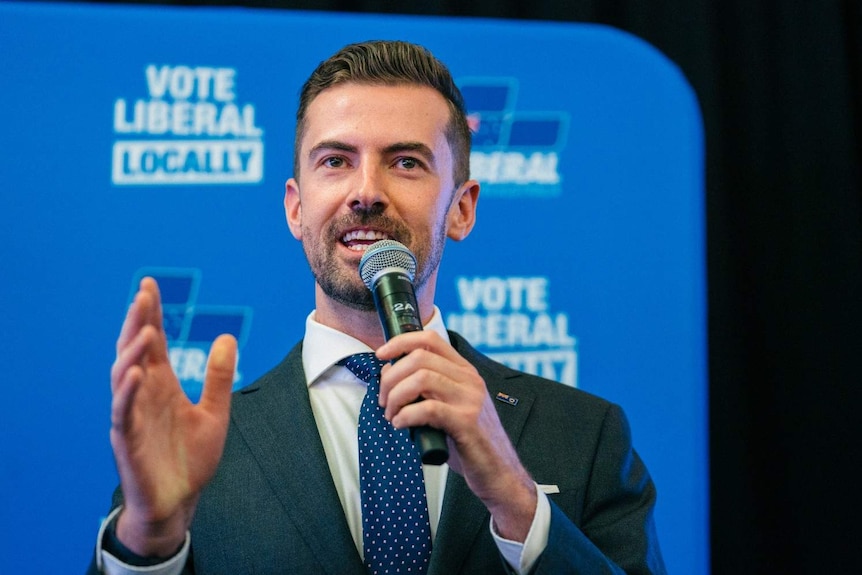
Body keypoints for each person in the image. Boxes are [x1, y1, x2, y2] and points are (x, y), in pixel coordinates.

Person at [87, 40, 666, 574]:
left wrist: (517, 501)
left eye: (406, 162)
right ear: (295, 208)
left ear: (462, 209)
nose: (366, 192)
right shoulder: (200, 451)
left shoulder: (586, 436)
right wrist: (150, 536)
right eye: (335, 161)